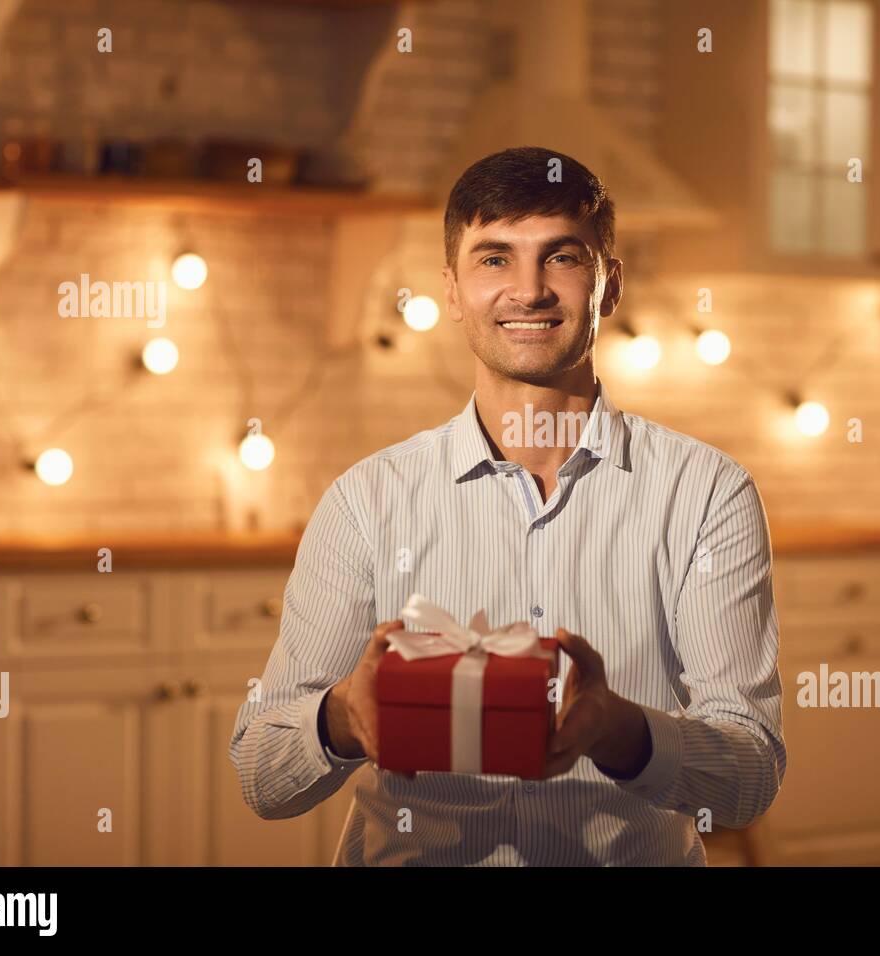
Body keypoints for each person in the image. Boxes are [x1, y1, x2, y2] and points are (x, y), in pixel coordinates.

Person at [229, 146, 787, 865]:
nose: (529, 291)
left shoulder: (706, 493)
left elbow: (749, 779)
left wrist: (615, 728)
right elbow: (262, 775)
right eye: (494, 259)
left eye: (561, 257)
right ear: (453, 290)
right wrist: (342, 717)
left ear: (608, 284)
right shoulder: (367, 501)